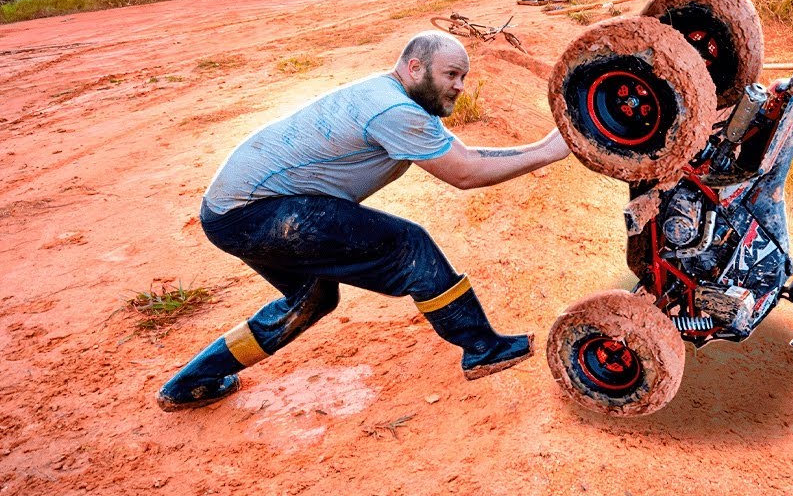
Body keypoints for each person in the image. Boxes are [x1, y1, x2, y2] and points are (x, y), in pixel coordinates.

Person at [156, 31, 570, 411]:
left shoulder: (395, 99)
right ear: (414, 68)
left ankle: (191, 383)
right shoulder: (393, 109)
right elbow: (464, 173)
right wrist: (547, 152)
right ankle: (483, 349)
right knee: (407, 246)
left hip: (230, 213)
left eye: (463, 76)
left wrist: (539, 148)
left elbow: (464, 155)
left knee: (313, 298)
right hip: (254, 211)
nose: (459, 86)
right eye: (451, 74)